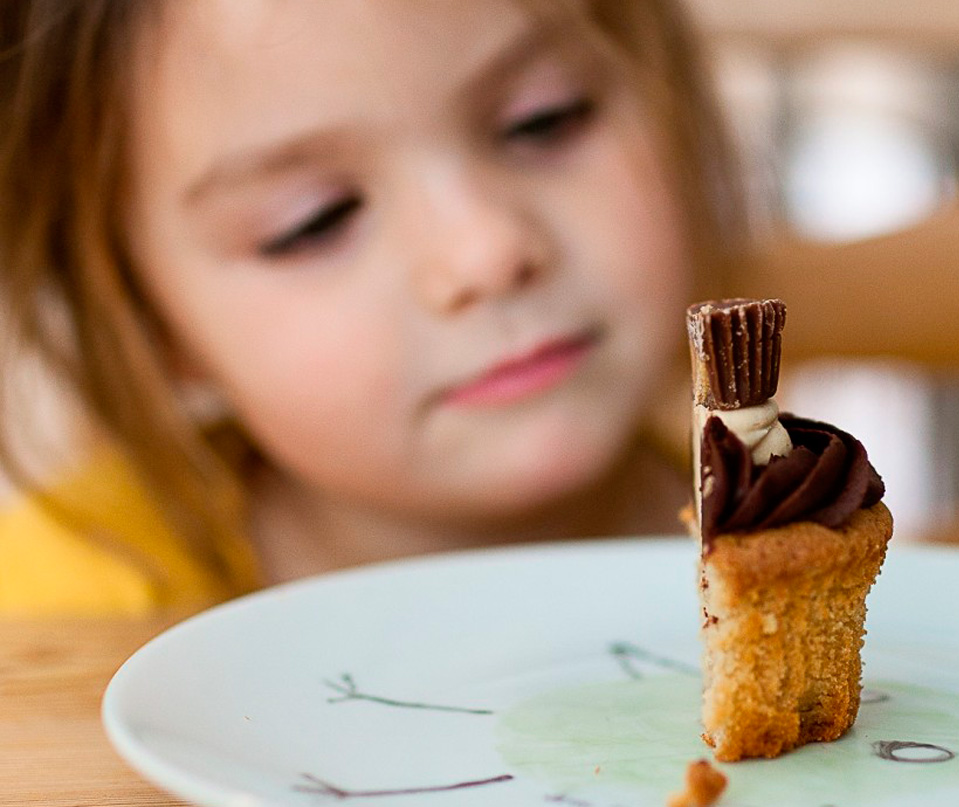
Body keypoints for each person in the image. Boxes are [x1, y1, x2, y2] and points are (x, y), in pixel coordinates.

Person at [0, 0, 744, 614]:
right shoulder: (42, 617)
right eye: (313, 220)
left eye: (543, 119)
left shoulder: (807, 532)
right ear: (149, 325)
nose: (484, 252)